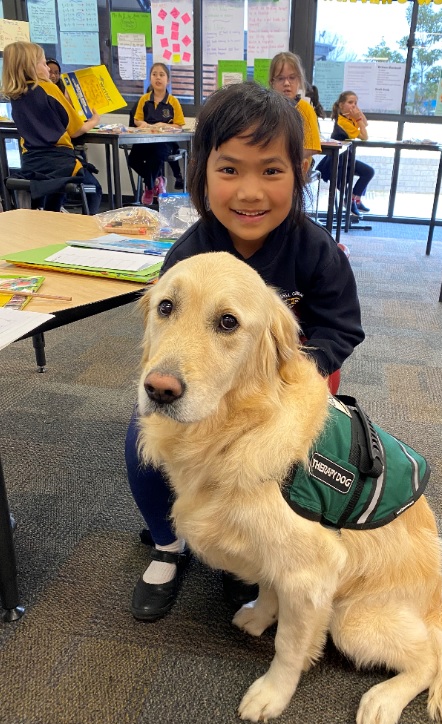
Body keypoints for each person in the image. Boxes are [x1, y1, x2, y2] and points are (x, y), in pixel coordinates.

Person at [126, 81, 364, 622]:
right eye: (230, 169)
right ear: (201, 174)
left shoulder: (318, 251)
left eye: (271, 171)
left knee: (279, 473)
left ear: (299, 173)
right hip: (201, 378)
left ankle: (249, 557)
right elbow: (163, 329)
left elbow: (342, 327)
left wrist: (296, 370)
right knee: (143, 441)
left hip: (284, 385)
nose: (250, 192)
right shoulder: (188, 255)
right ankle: (168, 545)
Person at [1, 42, 102, 213]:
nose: (48, 69)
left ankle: (49, 219)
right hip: (58, 161)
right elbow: (76, 130)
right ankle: (87, 227)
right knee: (94, 189)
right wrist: (94, 121)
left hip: (31, 163)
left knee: (55, 189)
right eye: (43, 63)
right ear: (31, 66)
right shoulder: (49, 88)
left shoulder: (15, 95)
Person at [128, 63, 185, 206]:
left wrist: (164, 125)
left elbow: (179, 125)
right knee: (133, 160)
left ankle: (149, 187)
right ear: (150, 78)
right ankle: (156, 181)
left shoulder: (173, 101)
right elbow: (137, 120)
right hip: (146, 139)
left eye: (161, 75)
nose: (157, 78)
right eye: (154, 74)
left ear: (168, 80)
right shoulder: (144, 99)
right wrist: (144, 125)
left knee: (157, 155)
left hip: (165, 141)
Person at [317, 91, 375, 221]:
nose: (353, 105)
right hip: (338, 162)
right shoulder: (343, 122)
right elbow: (364, 136)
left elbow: (365, 124)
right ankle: (350, 200)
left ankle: (355, 199)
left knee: (368, 172)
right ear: (341, 105)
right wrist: (358, 118)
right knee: (361, 175)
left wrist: (358, 113)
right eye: (350, 102)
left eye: (356, 103)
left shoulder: (349, 117)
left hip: (347, 158)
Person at [269, 52, 322, 162]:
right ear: (272, 82)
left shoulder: (305, 109)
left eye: (292, 78)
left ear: (299, 80)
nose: (286, 83)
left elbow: (312, 147)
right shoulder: (267, 109)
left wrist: (283, 159)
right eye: (280, 78)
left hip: (297, 164)